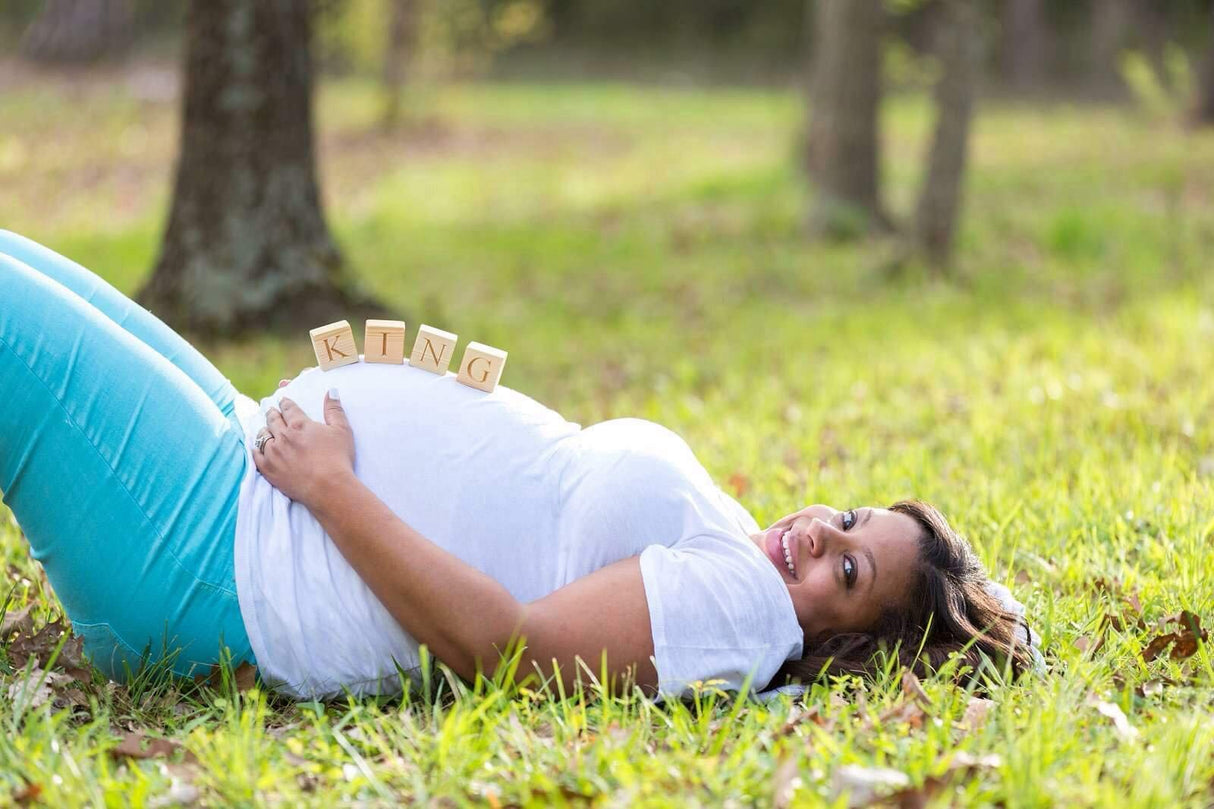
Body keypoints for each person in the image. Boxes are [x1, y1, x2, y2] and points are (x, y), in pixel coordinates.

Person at [0, 231, 1041, 703]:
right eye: (850, 519)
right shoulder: (739, 561)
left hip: (224, 562)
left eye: (846, 575)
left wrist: (333, 486)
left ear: (844, 647)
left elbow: (505, 652)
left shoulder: (740, 612)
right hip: (241, 467)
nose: (821, 536)